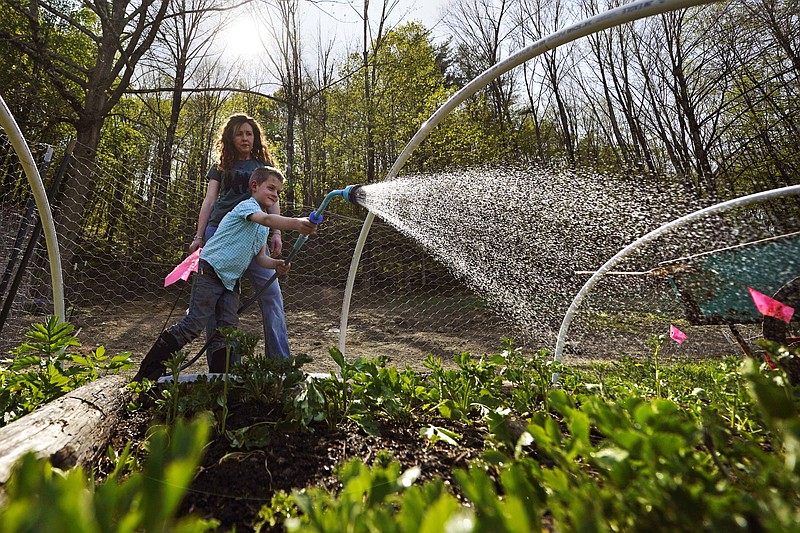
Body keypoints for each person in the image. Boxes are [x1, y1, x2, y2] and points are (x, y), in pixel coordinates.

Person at [133, 167, 317, 382]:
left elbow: (259, 258)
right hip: (210, 270)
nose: (275, 195)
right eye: (271, 188)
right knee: (194, 323)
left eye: (278, 192)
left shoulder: (263, 228)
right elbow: (268, 220)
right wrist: (296, 223)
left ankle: (221, 381)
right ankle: (147, 372)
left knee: (227, 331)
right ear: (254, 186)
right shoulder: (247, 207)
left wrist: (276, 264)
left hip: (231, 281)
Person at [190, 113, 290, 366]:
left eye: (249, 133)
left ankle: (280, 363)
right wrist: (199, 236)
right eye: (239, 134)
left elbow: (273, 200)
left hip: (256, 235)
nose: (245, 138)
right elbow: (209, 201)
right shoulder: (221, 166)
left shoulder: (263, 165)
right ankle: (223, 367)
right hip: (221, 234)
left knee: (271, 295)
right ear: (230, 138)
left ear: (255, 137)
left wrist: (277, 233)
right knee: (220, 302)